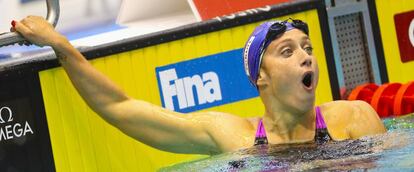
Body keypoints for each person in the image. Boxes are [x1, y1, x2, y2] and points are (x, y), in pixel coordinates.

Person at [11, 16, 386, 155]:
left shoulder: (354, 118)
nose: (306, 57)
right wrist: (61, 45)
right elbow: (120, 108)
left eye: (307, 49)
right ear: (261, 77)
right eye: (286, 52)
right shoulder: (233, 138)